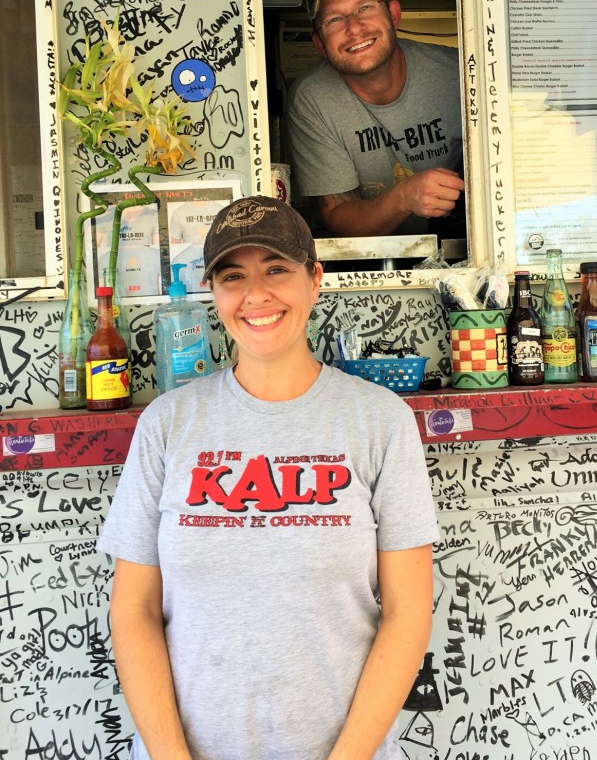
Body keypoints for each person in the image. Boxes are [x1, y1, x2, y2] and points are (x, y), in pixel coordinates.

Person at [97, 194, 438, 760]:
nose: (256, 295)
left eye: (276, 269)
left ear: (315, 279)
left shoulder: (379, 421)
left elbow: (407, 611)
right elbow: (133, 611)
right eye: (234, 276)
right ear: (215, 294)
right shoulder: (168, 424)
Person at [287, 0, 465, 237]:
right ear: (319, 44)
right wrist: (404, 196)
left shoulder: (457, 72)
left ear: (394, 15)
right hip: (368, 261)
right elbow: (337, 213)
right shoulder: (312, 99)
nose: (354, 29)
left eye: (365, 8)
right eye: (334, 20)